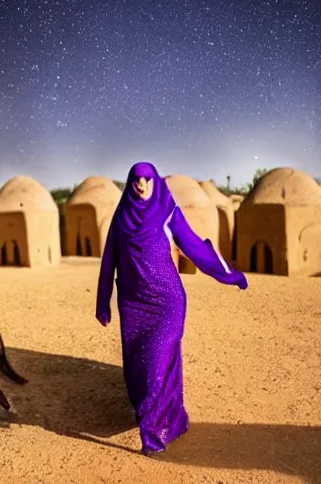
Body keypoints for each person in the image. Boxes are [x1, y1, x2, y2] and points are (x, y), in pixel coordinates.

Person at [95, 162, 248, 456]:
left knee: (155, 362)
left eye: (147, 180)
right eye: (137, 180)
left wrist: (230, 275)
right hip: (133, 305)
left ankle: (152, 435)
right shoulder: (121, 218)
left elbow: (194, 246)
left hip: (167, 302)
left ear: (155, 182)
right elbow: (109, 259)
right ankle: (171, 418)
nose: (142, 185)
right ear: (130, 183)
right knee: (140, 368)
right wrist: (103, 302)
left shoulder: (168, 212)